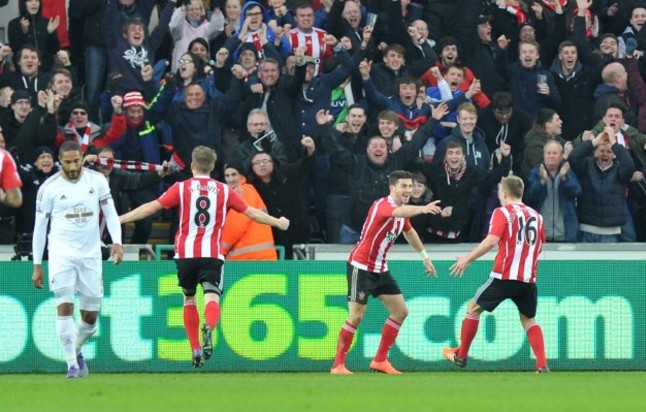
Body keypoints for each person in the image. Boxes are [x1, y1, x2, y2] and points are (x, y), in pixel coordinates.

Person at [119, 146, 290, 368]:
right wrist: (278, 222)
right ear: (212, 167)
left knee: (189, 299)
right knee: (212, 297)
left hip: (185, 254)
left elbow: (151, 208)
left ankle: (195, 349)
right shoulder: (223, 190)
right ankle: (209, 325)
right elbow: (251, 212)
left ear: (192, 166)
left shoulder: (180, 188)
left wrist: (120, 219)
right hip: (212, 254)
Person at [330, 170, 441, 376]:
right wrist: (424, 208)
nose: (408, 190)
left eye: (410, 186)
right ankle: (338, 365)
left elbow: (408, 231)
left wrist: (424, 256)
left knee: (400, 312)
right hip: (361, 266)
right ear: (392, 188)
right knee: (356, 317)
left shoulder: (402, 211)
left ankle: (380, 360)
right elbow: (400, 213)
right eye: (404, 186)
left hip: (380, 268)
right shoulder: (384, 205)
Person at [31, 141, 124, 378]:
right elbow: (40, 228)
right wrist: (37, 265)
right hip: (61, 254)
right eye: (67, 162)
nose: (73, 166)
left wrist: (117, 242)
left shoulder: (97, 180)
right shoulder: (48, 188)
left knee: (90, 317)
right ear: (59, 162)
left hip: (91, 255)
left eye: (76, 161)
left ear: (83, 158)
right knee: (64, 304)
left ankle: (77, 348)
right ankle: (72, 364)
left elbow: (111, 213)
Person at [443, 175, 549, 373]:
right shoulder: (537, 216)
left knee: (473, 308)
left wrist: (467, 259)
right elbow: (540, 246)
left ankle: (461, 356)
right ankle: (542, 365)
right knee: (528, 319)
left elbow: (491, 241)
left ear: (504, 193)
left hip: (503, 276)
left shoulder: (502, 212)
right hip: (527, 278)